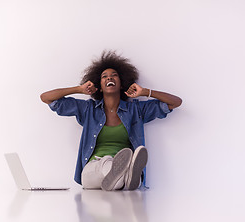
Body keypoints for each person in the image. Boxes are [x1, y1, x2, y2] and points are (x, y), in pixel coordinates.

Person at [40, 50, 182, 191]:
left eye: (114, 76)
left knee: (117, 179)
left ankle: (121, 178)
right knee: (107, 164)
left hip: (117, 173)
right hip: (93, 170)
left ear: (121, 84)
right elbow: (46, 98)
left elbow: (175, 102)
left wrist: (146, 92)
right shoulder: (88, 109)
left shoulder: (136, 109)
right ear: (100, 87)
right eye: (104, 77)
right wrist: (79, 89)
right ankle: (128, 177)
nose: (109, 78)